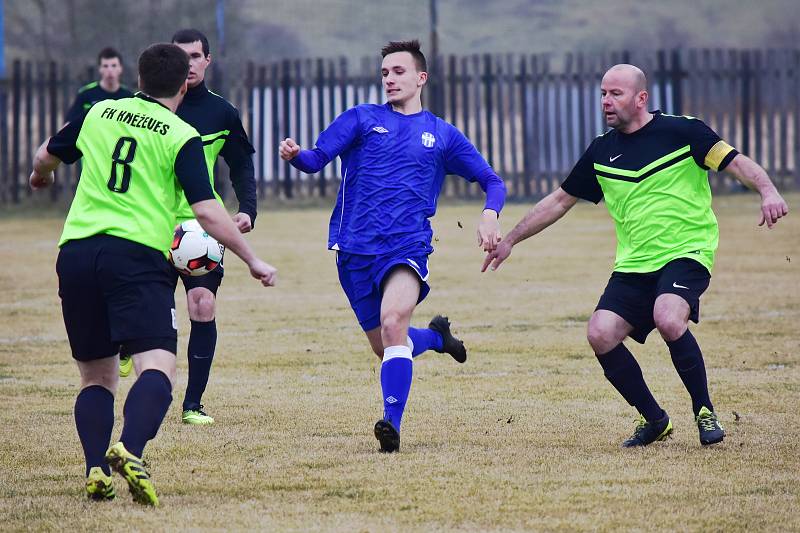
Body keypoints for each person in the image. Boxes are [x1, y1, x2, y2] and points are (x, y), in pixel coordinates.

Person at [483, 64, 789, 448]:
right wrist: (510, 239)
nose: (606, 102)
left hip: (686, 250)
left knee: (668, 316)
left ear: (641, 98)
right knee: (600, 333)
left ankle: (704, 411)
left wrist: (768, 190)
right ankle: (655, 419)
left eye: (615, 94)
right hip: (633, 263)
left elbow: (737, 162)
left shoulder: (683, 130)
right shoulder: (601, 150)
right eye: (603, 94)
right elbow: (560, 201)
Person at [29, 43, 277, 506]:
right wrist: (252, 259)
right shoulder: (179, 134)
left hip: (77, 254)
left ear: (137, 78)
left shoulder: (100, 112)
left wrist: (39, 176)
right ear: (185, 82)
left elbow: (46, 155)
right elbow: (206, 209)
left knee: (97, 378)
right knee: (158, 366)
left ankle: (96, 470)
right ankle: (132, 448)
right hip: (136, 257)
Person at [279, 40, 506, 453]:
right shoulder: (361, 119)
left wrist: (490, 214)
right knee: (387, 343)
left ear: (421, 78)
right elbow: (315, 161)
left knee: (392, 322)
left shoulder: (441, 134)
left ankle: (391, 426)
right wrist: (295, 155)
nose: (389, 79)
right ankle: (437, 339)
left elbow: (493, 181)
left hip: (406, 247)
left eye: (398, 72)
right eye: (384, 73)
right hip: (352, 250)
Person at [118, 29, 258, 428]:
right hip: (150, 226)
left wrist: (247, 208)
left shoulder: (222, 112)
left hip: (201, 227)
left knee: (203, 305)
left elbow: (242, 164)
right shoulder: (144, 110)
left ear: (207, 60)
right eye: (182, 57)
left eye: (196, 56)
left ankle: (192, 405)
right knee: (145, 308)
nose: (189, 63)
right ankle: (127, 343)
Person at [65, 47, 134, 124]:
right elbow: (69, 124)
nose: (110, 70)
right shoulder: (85, 94)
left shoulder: (129, 97)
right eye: (105, 66)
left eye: (114, 65)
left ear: (120, 68)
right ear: (100, 69)